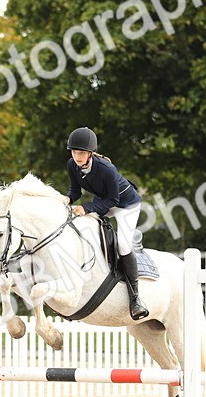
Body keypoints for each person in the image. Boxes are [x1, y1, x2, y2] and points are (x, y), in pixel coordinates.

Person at [63, 126, 149, 320]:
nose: (77, 156)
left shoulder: (106, 169)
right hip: (106, 201)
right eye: (74, 152)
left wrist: (85, 208)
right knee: (83, 225)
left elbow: (113, 201)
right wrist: (67, 199)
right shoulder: (71, 165)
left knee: (124, 245)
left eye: (81, 153)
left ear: (90, 153)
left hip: (126, 205)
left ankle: (135, 298)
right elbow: (75, 190)